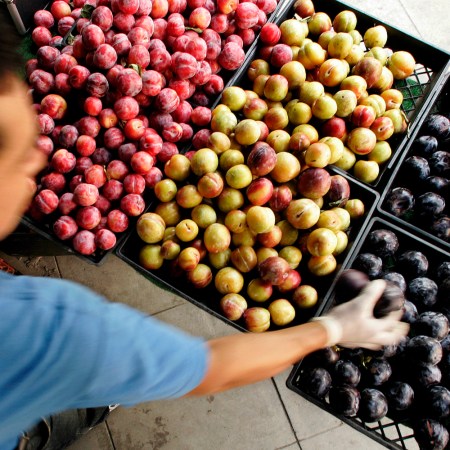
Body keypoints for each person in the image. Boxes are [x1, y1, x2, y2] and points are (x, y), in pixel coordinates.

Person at [0, 10, 409, 450]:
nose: (36, 165)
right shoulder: (43, 328)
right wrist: (331, 330)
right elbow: (209, 367)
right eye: (20, 155)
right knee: (80, 379)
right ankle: (66, 417)